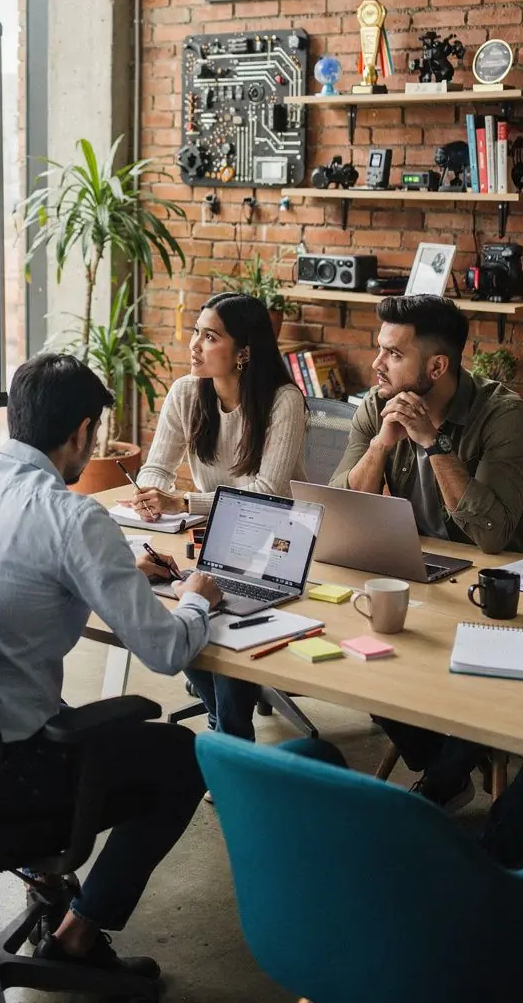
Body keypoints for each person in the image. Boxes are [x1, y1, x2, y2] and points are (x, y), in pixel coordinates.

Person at [0, 353, 222, 980]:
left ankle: (51, 892)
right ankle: (77, 935)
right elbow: (164, 650)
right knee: (182, 758)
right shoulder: (74, 517)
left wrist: (105, 578)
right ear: (83, 433)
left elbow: (6, 575)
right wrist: (196, 601)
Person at [330, 293, 523, 809]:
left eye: (393, 353)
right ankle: (449, 764)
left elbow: (491, 536)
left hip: (496, 588)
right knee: (361, 652)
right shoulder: (376, 405)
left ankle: (446, 777)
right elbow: (339, 508)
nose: (376, 364)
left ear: (436, 366)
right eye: (380, 349)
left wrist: (432, 442)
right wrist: (380, 445)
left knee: (459, 667)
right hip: (424, 572)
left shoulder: (502, 416)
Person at [128, 292, 307, 738]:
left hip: (279, 538)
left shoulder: (283, 401)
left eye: (210, 337)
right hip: (214, 538)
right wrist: (151, 491)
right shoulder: (187, 392)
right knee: (170, 598)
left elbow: (268, 492)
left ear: (243, 352)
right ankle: (221, 721)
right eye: (196, 332)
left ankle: (229, 734)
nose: (194, 346)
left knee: (221, 611)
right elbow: (157, 467)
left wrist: (185, 503)